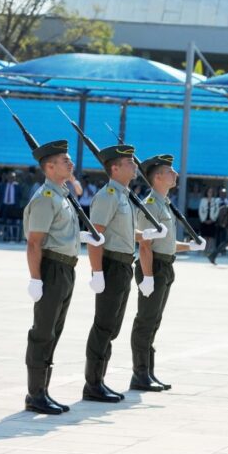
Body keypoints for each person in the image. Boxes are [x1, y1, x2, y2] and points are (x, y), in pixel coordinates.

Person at [23, 140, 104, 414]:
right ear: (49, 167)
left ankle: (43, 391)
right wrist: (36, 278)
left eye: (70, 160)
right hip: (52, 270)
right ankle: (35, 394)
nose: (70, 164)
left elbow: (59, 234)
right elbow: (35, 242)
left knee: (54, 332)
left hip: (66, 268)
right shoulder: (47, 198)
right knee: (43, 332)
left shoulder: (62, 194)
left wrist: (80, 237)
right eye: (64, 161)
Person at [84, 144, 166, 403]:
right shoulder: (108, 196)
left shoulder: (125, 196)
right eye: (129, 163)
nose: (134, 166)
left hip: (123, 265)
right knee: (103, 326)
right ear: (115, 168)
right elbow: (96, 236)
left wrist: (146, 235)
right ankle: (92, 384)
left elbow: (121, 233)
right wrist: (97, 272)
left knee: (113, 327)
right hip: (110, 265)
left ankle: (100, 380)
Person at [131, 155, 207, 391]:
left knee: (154, 321)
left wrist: (189, 246)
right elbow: (145, 244)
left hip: (165, 266)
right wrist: (148, 276)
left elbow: (166, 243)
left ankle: (149, 372)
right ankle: (139, 374)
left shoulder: (164, 203)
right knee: (145, 321)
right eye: (169, 171)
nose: (175, 174)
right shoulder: (150, 204)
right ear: (157, 177)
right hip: (152, 267)